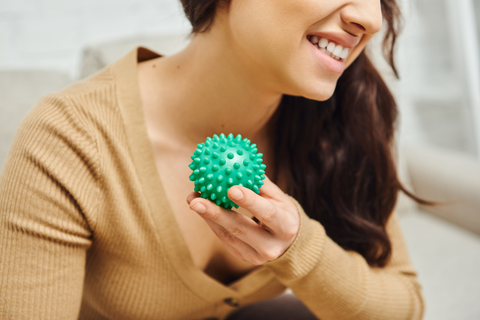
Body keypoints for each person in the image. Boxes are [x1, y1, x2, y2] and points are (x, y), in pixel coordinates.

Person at [0, 0, 426, 319]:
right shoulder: (70, 138)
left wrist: (301, 249)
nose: (371, 18)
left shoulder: (345, 118)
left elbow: (405, 305)